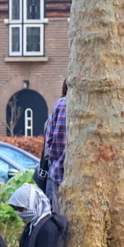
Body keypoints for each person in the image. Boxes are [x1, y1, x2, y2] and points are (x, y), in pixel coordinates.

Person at [43, 80, 68, 213]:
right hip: (84, 177)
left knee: (59, 218)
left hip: (58, 173)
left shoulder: (59, 104)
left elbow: (49, 140)